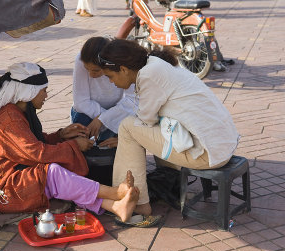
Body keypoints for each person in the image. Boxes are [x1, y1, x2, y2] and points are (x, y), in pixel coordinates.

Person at [0, 62, 139, 223]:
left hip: (15, 176)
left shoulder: (17, 112)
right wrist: (75, 145)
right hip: (4, 189)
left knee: (62, 174)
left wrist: (61, 135)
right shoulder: (10, 119)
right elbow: (36, 153)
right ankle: (114, 193)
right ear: (28, 92)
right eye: (43, 90)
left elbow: (31, 144)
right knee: (53, 172)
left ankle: (115, 206)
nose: (46, 95)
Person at [98, 39, 239, 218]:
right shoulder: (156, 64)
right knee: (142, 127)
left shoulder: (149, 75)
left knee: (127, 128)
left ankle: (136, 203)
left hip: (206, 154)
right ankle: (168, 185)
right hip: (221, 146)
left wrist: (123, 139)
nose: (111, 82)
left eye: (110, 76)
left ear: (124, 70)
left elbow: (146, 120)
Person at [72, 37, 137, 149]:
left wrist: (104, 118)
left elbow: (132, 101)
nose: (91, 75)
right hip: (86, 112)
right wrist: (102, 117)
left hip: (115, 111)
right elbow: (81, 102)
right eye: (87, 69)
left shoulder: (121, 63)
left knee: (116, 145)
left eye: (96, 70)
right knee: (83, 144)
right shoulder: (80, 59)